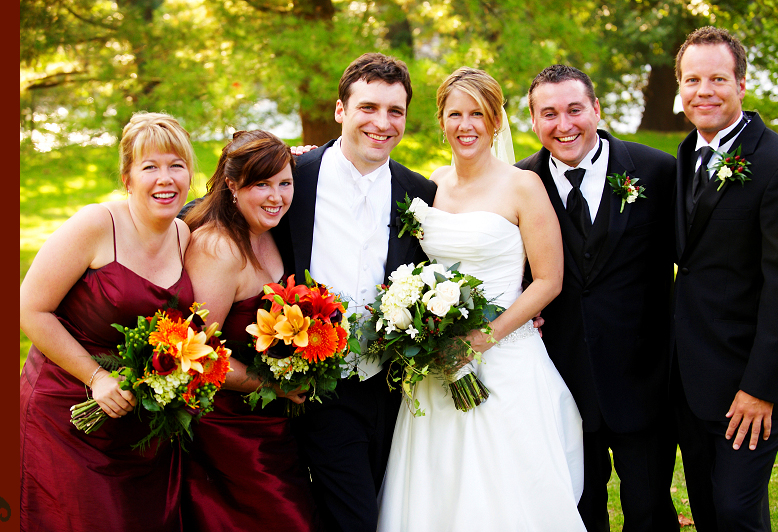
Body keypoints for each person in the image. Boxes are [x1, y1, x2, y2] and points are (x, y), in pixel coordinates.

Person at [377, 66, 585, 531]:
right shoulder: (434, 184)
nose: (465, 125)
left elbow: (549, 280)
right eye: (455, 114)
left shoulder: (522, 186)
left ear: (496, 122)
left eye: (478, 114)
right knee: (438, 485)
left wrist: (479, 340)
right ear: (442, 120)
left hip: (504, 356)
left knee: (505, 491)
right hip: (436, 363)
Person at [271, 53, 437, 532]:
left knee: (380, 502)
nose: (382, 123)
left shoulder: (419, 192)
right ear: (341, 110)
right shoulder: (295, 178)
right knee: (357, 515)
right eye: (368, 108)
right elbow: (221, 207)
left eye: (395, 111)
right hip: (317, 383)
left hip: (392, 387)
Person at [515, 64, 680, 532]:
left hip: (643, 377)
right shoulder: (521, 183)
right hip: (560, 381)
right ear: (533, 119)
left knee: (649, 511)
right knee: (578, 512)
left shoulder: (657, 171)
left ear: (596, 109)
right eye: (549, 114)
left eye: (574, 109)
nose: (564, 125)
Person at [671, 26, 778, 532]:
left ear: (741, 83)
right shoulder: (686, 153)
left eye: (717, 78)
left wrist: (760, 388)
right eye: (692, 80)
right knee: (712, 511)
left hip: (746, 384)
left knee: (736, 514)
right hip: (690, 376)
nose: (703, 91)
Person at [19, 112, 196, 532]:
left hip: (138, 428)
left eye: (177, 165)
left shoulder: (184, 235)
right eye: (150, 167)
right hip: (64, 415)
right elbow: (30, 308)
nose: (165, 178)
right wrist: (97, 377)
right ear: (127, 177)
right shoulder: (96, 225)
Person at [180, 130, 320, 531]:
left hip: (272, 427)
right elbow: (197, 355)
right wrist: (273, 386)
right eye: (261, 184)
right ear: (231, 185)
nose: (276, 196)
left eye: (284, 183)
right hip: (226, 431)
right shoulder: (219, 249)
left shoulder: (270, 233)